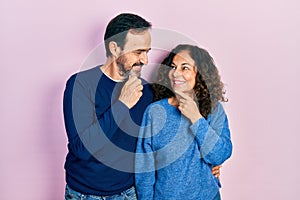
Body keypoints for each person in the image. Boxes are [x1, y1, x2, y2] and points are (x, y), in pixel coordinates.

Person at [63, 13, 222, 199]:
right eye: (138, 52)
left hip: (130, 193)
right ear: (115, 48)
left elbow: (171, 137)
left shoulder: (148, 91)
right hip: (84, 193)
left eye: (147, 51)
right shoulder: (80, 84)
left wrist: (207, 163)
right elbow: (81, 149)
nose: (145, 60)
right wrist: (122, 104)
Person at [135, 44, 233, 200]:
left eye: (185, 68)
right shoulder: (155, 112)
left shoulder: (214, 108)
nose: (175, 73)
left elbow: (219, 155)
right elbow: (144, 166)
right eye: (173, 67)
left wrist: (196, 118)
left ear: (200, 74)